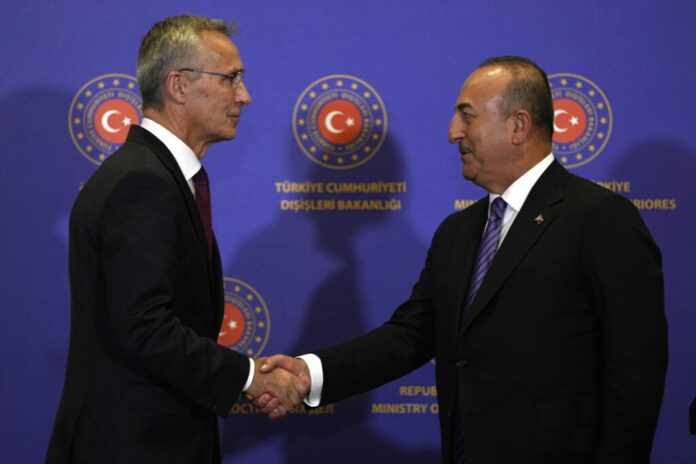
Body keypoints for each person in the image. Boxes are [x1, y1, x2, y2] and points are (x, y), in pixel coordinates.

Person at [255, 56, 668, 463]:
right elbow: (411, 335)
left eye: (467, 116)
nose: (453, 132)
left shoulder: (599, 217)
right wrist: (310, 374)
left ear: (518, 125)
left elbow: (635, 372)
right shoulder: (459, 231)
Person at [46, 15, 307, 464]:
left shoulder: (152, 175)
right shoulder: (142, 183)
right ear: (179, 86)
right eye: (232, 79)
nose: (245, 95)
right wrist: (249, 377)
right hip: (133, 448)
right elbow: (145, 328)